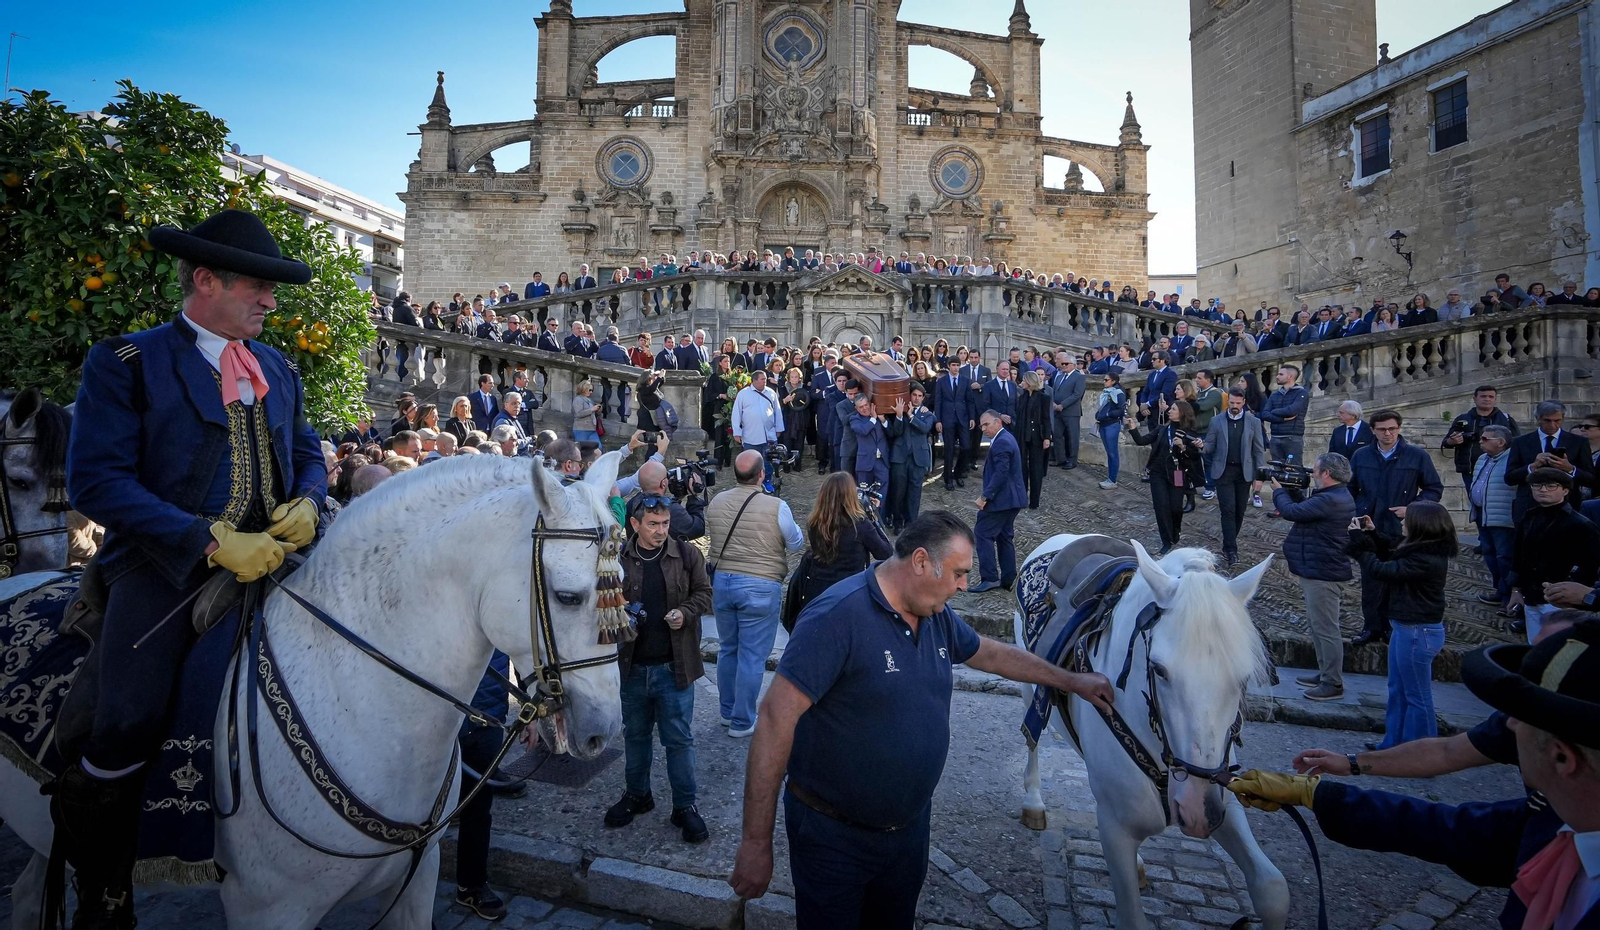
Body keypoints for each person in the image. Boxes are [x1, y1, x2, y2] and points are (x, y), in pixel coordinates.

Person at [61, 209, 325, 927]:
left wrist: (309, 497)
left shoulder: (278, 367)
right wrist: (207, 540)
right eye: (257, 287)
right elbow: (98, 482)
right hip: (162, 570)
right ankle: (102, 896)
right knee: (126, 720)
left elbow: (306, 449)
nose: (272, 301)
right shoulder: (128, 362)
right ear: (205, 280)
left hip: (277, 557)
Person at [728, 512, 1115, 927]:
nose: (965, 585)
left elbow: (989, 652)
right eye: (959, 573)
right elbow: (773, 721)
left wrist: (1070, 680)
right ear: (919, 561)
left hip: (908, 833)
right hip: (833, 839)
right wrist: (755, 842)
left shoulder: (934, 615)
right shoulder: (837, 616)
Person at [1228, 620, 1600, 930]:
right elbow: (1445, 826)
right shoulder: (1554, 823)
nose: (1510, 725)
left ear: (1562, 758)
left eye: (1522, 720)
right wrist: (1317, 792)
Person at [605, 496, 715, 843]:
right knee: (635, 737)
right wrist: (620, 614)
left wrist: (685, 611)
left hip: (674, 667)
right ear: (634, 525)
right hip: (632, 667)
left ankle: (685, 806)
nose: (661, 531)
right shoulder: (618, 558)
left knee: (679, 740)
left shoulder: (686, 555)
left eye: (665, 523)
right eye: (653, 524)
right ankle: (638, 794)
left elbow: (705, 593)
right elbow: (603, 603)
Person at [706, 450, 804, 736]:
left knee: (728, 649)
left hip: (723, 581)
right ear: (762, 474)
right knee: (751, 655)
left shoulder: (717, 501)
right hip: (760, 584)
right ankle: (742, 721)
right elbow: (795, 543)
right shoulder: (776, 506)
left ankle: (727, 711)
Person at [1347, 500, 1455, 747]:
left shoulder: (1427, 558)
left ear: (1422, 526)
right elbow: (1391, 554)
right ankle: (1394, 744)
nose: (1403, 522)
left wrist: (1359, 543)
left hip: (1418, 632)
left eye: (1408, 519)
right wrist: (1372, 533)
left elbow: (1383, 570)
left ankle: (1423, 753)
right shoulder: (1423, 550)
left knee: (1417, 696)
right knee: (1398, 690)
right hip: (1406, 628)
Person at [1348, 410, 1445, 646]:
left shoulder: (1416, 456)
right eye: (1382, 429)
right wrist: (1354, 513)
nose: (1388, 433)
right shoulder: (1361, 455)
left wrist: (1413, 508)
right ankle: (1372, 627)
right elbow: (1350, 488)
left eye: (1392, 428)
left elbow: (1433, 488)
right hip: (1369, 526)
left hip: (1401, 529)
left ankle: (1394, 628)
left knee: (1399, 580)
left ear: (1399, 428)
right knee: (1371, 580)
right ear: (1373, 430)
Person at [1274, 453, 1357, 701]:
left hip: (1324, 572)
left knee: (1326, 629)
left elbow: (1290, 512)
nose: (1312, 474)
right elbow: (1303, 510)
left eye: (1316, 471)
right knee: (1317, 626)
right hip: (1318, 568)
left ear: (1327, 474)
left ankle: (1332, 683)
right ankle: (1324, 673)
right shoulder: (1333, 496)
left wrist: (1278, 490)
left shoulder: (1331, 500)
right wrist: (1292, 489)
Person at [1506, 468, 1600, 642]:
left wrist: (1573, 595)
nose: (1543, 490)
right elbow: (1519, 557)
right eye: (1537, 485)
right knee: (1534, 644)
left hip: (1561, 600)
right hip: (1531, 596)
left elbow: (1590, 566)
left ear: (1565, 490)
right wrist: (1516, 589)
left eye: (1550, 486)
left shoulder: (1581, 525)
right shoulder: (1529, 517)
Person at [793, 471, 893, 615]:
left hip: (818, 587)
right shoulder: (860, 525)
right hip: (849, 590)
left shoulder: (814, 522)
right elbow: (885, 552)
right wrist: (873, 514)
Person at [1127, 400, 1204, 554]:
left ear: (1182, 412)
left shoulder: (1190, 434)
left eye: (1173, 409)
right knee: (1161, 507)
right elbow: (1142, 441)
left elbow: (1195, 456)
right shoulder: (1162, 429)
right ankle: (1166, 540)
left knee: (1176, 508)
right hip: (1158, 473)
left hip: (1178, 473)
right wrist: (1134, 429)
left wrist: (1182, 447)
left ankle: (1175, 532)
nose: (1170, 411)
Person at [1204, 388, 1267, 566]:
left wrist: (1260, 475)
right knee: (1228, 510)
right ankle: (1230, 548)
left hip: (1244, 472)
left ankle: (1229, 541)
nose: (1234, 406)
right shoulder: (1216, 421)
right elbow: (1210, 444)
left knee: (1239, 510)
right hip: (1223, 472)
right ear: (1228, 402)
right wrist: (1201, 445)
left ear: (1244, 403)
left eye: (1238, 403)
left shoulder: (1253, 422)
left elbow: (1258, 450)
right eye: (1231, 403)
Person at [1506, 400, 1594, 523]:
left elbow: (1590, 478)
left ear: (1563, 418)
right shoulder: (1521, 442)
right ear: (1538, 418)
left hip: (1567, 506)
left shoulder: (1578, 442)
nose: (1552, 425)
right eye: (1547, 421)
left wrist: (1569, 468)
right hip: (1529, 507)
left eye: (1557, 421)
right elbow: (1509, 478)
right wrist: (1532, 467)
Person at [972, 409, 1026, 592]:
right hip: (1012, 500)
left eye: (986, 424)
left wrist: (985, 496)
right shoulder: (1006, 438)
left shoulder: (1002, 442)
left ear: (998, 422)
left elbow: (1001, 474)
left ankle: (990, 577)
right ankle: (1009, 578)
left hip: (1003, 501)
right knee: (1004, 537)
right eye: (981, 426)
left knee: (982, 532)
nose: (983, 429)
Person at [1444, 385, 1519, 505]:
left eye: (1491, 396)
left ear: (1495, 399)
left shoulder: (1506, 419)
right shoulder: (1463, 418)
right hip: (1470, 470)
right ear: (1475, 398)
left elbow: (1516, 443)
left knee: (1496, 502)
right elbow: (1446, 442)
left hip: (1500, 468)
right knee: (1476, 502)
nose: (1487, 399)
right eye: (1483, 396)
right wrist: (1452, 441)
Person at [1471, 426, 1518, 611]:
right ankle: (1499, 589)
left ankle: (1508, 595)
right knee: (1489, 554)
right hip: (1482, 513)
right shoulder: (1483, 458)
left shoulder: (1512, 459)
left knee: (1504, 556)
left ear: (1501, 442)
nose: (1480, 442)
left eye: (1485, 439)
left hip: (1501, 515)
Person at [886, 387, 935, 532]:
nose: (916, 398)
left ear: (923, 398)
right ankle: (898, 522)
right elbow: (895, 432)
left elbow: (925, 428)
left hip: (918, 458)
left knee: (915, 492)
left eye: (920, 396)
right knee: (898, 491)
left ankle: (911, 523)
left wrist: (911, 416)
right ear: (910, 395)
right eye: (914, 395)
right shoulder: (899, 409)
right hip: (900, 457)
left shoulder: (927, 414)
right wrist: (900, 416)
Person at [731, 369, 784, 486]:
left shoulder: (771, 393)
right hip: (751, 435)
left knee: (768, 460)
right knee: (751, 460)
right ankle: (751, 482)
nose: (765, 381)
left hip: (768, 435)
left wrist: (779, 428)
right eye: (762, 379)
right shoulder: (743, 394)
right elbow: (736, 414)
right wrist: (737, 432)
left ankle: (767, 481)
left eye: (765, 379)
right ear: (754, 380)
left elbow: (777, 412)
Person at [932, 358, 974, 491]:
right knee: (949, 449)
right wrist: (938, 420)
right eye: (953, 365)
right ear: (949, 366)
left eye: (957, 365)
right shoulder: (942, 382)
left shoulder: (965, 381)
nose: (955, 368)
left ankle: (958, 473)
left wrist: (972, 417)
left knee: (966, 447)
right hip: (947, 419)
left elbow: (970, 401)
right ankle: (948, 478)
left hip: (962, 418)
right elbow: (937, 401)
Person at [1259, 364, 1309, 467]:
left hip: (1292, 438)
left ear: (1290, 376)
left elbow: (1292, 410)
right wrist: (1283, 418)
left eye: (1281, 374)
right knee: (1277, 470)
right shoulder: (1274, 395)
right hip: (1275, 437)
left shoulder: (1301, 393)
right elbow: (1264, 414)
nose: (1277, 376)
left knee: (1294, 469)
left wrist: (1274, 411)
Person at [848, 394, 890, 503]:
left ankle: (880, 519)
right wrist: (873, 419)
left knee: (882, 496)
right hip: (865, 463)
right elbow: (863, 431)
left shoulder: (879, 415)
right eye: (861, 407)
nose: (865, 408)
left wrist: (882, 420)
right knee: (864, 496)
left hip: (881, 461)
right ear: (856, 408)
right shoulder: (854, 419)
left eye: (866, 405)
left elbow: (891, 433)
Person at [1050, 352, 1085, 469]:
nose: (1063, 365)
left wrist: (1062, 405)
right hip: (1057, 411)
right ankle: (1060, 458)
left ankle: (1072, 460)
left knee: (1072, 437)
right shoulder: (1059, 376)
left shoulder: (1079, 377)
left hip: (1071, 412)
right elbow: (1054, 391)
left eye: (1066, 363)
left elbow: (1077, 394)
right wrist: (1054, 403)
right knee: (1057, 435)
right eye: (1062, 363)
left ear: (1073, 365)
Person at [1096, 371, 1128, 490]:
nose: (1104, 382)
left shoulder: (1118, 393)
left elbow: (1120, 410)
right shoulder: (1107, 392)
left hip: (1112, 425)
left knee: (1112, 453)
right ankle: (1110, 478)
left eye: (1106, 380)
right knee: (1109, 453)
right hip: (1104, 424)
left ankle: (1113, 479)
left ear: (1113, 381)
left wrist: (1108, 414)